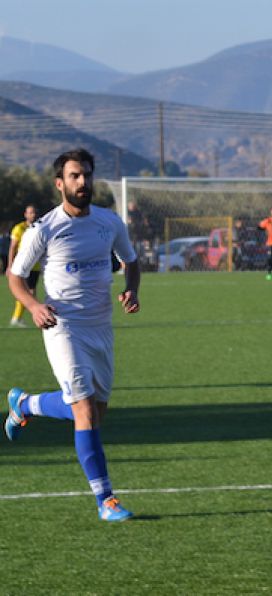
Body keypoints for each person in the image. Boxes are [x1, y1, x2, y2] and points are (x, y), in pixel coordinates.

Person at [5, 148, 141, 522]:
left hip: (101, 327)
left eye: (87, 175)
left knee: (94, 412)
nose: (83, 182)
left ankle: (26, 404)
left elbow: (130, 261)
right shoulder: (44, 229)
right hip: (62, 326)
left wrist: (132, 290)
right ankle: (106, 500)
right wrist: (33, 306)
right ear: (60, 183)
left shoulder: (109, 222)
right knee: (83, 409)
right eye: (75, 176)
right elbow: (15, 276)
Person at [8, 204, 41, 327]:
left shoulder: (39, 227)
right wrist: (10, 265)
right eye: (30, 212)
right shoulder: (19, 228)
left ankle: (20, 317)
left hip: (35, 266)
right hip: (23, 266)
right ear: (25, 214)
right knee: (26, 292)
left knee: (31, 292)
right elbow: (13, 247)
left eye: (34, 212)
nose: (33, 215)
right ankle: (17, 318)